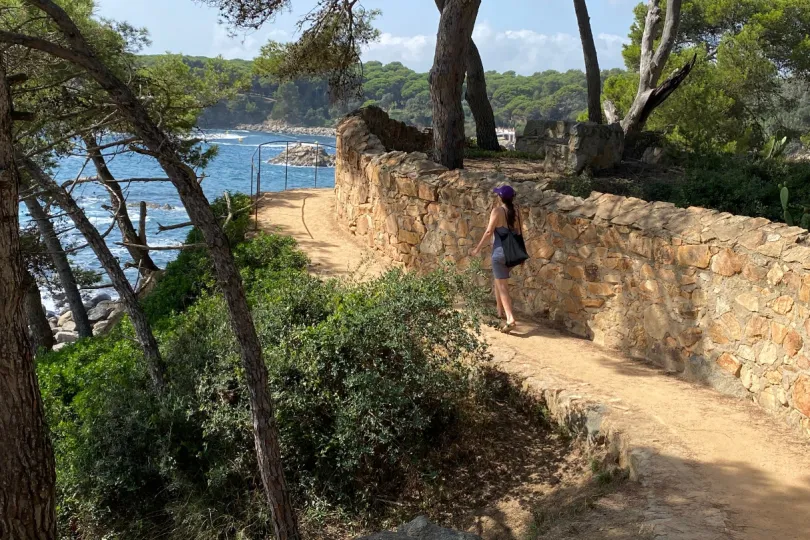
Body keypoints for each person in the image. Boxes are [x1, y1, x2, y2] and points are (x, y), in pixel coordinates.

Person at [471, 184, 522, 332]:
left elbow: (488, 232)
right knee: (498, 279)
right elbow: (520, 232)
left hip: (499, 254)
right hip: (513, 254)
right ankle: (499, 311)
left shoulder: (497, 211)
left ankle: (510, 318)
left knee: (502, 286)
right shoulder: (517, 211)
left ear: (500, 197)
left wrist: (477, 249)